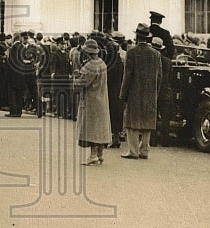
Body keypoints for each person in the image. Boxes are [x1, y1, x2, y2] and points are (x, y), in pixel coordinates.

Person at [120, 24, 161, 160]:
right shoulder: (156, 54)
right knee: (147, 121)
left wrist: (123, 94)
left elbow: (127, 76)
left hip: (134, 92)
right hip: (150, 93)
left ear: (137, 37)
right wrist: (156, 93)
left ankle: (133, 150)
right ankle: (145, 150)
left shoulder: (131, 52)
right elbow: (159, 77)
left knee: (132, 122)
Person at [73, 39, 111, 165]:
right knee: (100, 127)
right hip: (102, 99)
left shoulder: (89, 66)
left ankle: (93, 155)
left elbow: (82, 84)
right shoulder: (102, 63)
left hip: (91, 101)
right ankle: (100, 154)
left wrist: (75, 79)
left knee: (92, 128)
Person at [153, 35, 176, 147]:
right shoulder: (168, 61)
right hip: (166, 91)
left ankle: (152, 140)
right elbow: (171, 78)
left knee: (153, 115)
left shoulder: (151, 60)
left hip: (154, 91)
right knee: (165, 118)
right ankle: (165, 140)